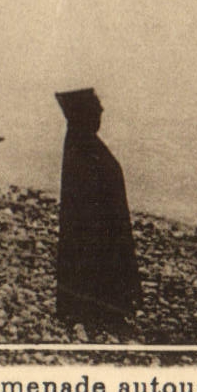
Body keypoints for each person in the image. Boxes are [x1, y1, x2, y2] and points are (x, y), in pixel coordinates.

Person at [55, 88, 141, 336]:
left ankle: (101, 306)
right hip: (96, 235)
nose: (102, 110)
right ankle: (97, 308)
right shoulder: (82, 150)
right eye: (96, 106)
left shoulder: (83, 145)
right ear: (84, 113)